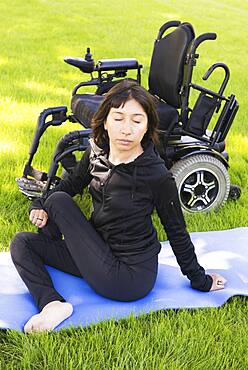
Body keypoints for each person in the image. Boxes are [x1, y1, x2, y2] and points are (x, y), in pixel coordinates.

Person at [10, 80, 226, 333]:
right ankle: (52, 304)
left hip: (128, 277)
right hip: (95, 252)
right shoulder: (96, 153)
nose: (126, 129)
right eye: (119, 118)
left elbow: (177, 232)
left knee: (57, 202)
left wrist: (200, 279)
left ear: (147, 127)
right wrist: (38, 205)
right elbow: (67, 186)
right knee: (22, 242)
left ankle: (61, 282)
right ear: (104, 121)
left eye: (136, 121)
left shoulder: (157, 176)